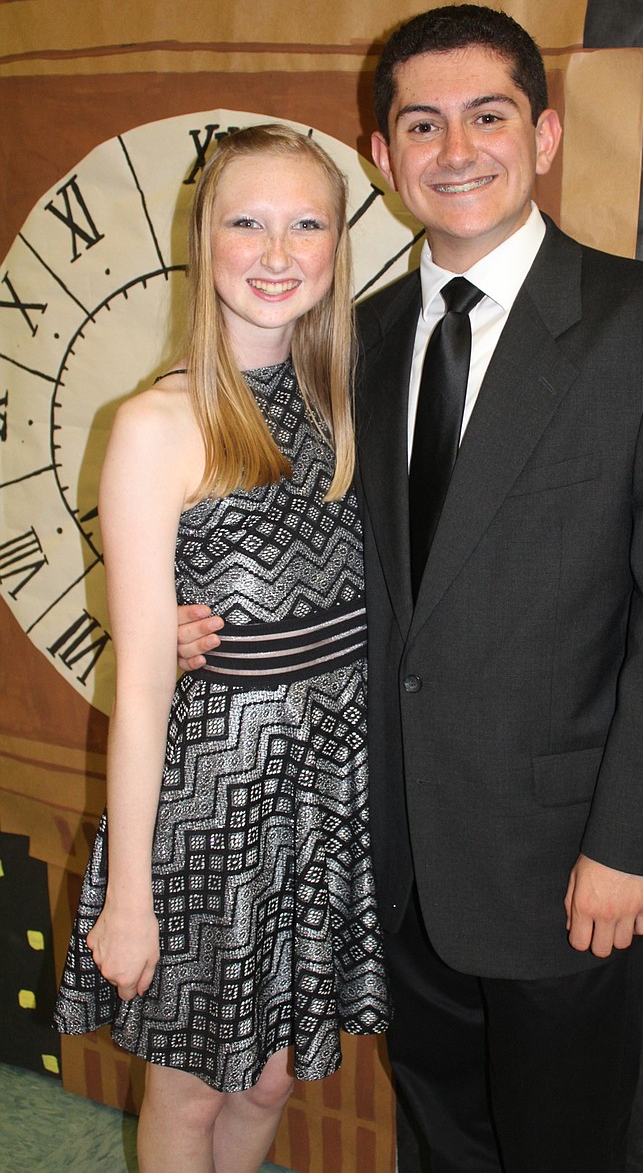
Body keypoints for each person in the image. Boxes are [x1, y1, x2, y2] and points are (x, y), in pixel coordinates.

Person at [178, 6, 643, 1172]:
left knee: (560, 1144)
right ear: (383, 158)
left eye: (486, 116)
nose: (456, 149)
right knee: (438, 1134)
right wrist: (189, 627)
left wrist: (630, 842)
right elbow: (294, 542)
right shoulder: (350, 339)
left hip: (565, 860)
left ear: (541, 134)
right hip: (391, 851)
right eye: (422, 124)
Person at [54, 124, 390, 1173]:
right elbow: (145, 683)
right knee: (191, 1092)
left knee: (275, 1076)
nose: (277, 251)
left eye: (307, 223)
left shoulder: (350, 398)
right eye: (247, 222)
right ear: (205, 242)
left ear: (338, 245)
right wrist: (130, 897)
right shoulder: (157, 424)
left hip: (325, 798)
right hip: (214, 805)